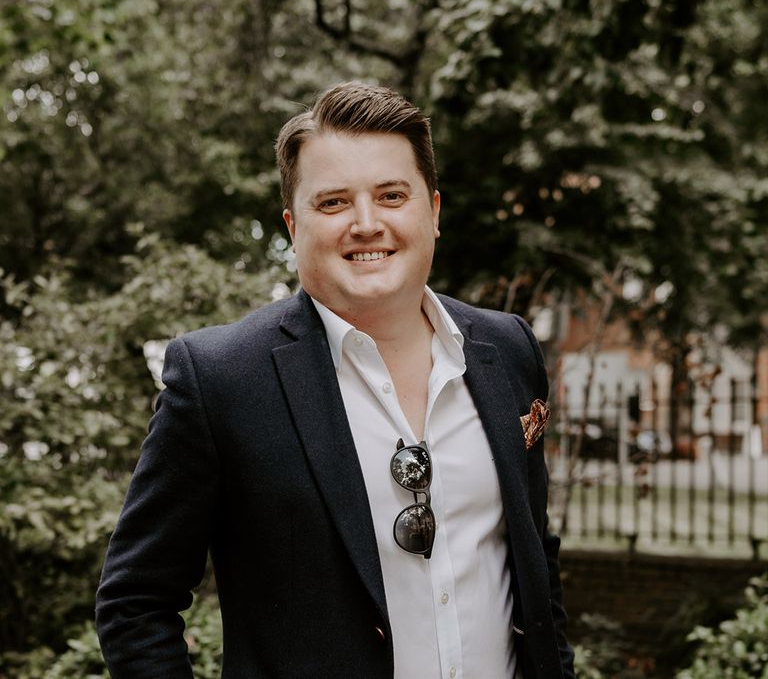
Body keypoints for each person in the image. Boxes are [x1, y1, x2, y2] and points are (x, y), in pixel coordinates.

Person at [96, 81, 575, 678]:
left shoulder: (508, 350)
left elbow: (534, 557)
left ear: (434, 210)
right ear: (293, 227)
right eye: (333, 203)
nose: (367, 223)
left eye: (392, 195)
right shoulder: (221, 379)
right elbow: (135, 603)